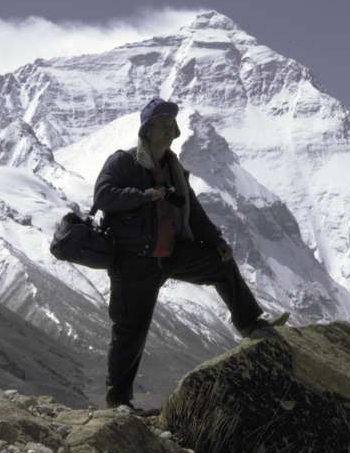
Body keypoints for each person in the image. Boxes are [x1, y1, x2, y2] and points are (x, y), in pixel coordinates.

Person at [93, 97, 287, 411]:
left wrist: (216, 241)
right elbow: (103, 195)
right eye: (163, 124)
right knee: (130, 331)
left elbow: (193, 213)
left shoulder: (175, 170)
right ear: (147, 129)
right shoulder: (124, 162)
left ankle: (252, 325)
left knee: (221, 264)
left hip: (171, 254)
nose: (170, 129)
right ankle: (118, 402)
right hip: (134, 260)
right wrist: (145, 195)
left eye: (172, 124)